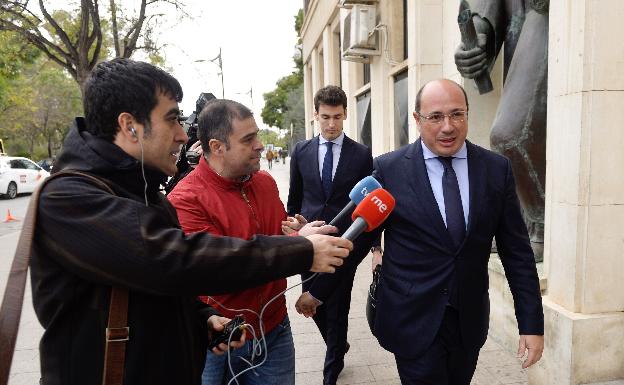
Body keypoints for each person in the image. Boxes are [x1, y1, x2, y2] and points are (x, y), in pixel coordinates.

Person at [29, 58, 353, 385]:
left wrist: (202, 318)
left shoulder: (143, 191)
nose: (183, 135)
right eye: (172, 120)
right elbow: (174, 260)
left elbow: (152, 287)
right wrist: (300, 250)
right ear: (130, 125)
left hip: (263, 328)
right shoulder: (69, 199)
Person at [296, 79, 544, 385]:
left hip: (468, 320)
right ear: (417, 120)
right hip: (412, 318)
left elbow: (517, 253)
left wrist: (531, 324)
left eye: (457, 114)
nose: (448, 127)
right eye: (436, 117)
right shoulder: (389, 170)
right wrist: (318, 292)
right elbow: (356, 242)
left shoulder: (496, 170)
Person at [168, 99, 332, 385]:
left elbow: (276, 237)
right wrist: (299, 248)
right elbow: (223, 266)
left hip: (274, 327)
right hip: (218, 338)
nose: (260, 144)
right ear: (217, 147)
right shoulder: (185, 201)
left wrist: (297, 234)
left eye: (257, 134)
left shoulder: (265, 182)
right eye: (248, 139)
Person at [286, 85, 377, 385]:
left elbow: (369, 202)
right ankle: (337, 345)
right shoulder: (300, 151)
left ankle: (331, 369)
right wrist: (292, 230)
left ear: (345, 115)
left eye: (337, 117)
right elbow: (295, 198)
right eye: (325, 117)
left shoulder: (362, 154)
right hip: (309, 243)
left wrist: (375, 247)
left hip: (343, 244)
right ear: (316, 114)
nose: (331, 124)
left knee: (337, 308)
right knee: (317, 310)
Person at [454, 0, 548, 261]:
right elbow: (481, 11)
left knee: (510, 135)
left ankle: (538, 223)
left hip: (544, 13)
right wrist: (478, 36)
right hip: (525, 24)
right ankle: (518, 223)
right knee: (506, 144)